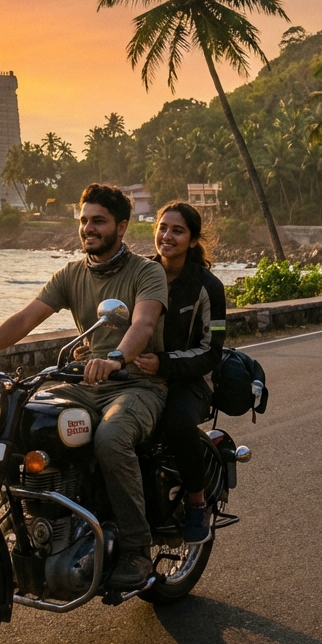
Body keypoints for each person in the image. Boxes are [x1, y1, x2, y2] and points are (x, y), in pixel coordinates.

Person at [0, 183, 168, 590]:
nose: (88, 228)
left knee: (112, 438)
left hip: (135, 384)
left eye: (98, 221)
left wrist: (116, 358)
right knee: (21, 419)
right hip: (82, 381)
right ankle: (33, 522)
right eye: (83, 220)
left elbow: (143, 324)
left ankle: (137, 548)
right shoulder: (71, 273)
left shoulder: (147, 272)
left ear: (121, 227)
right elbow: (28, 316)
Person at [133, 201, 227, 545]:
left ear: (192, 239)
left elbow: (211, 350)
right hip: (141, 376)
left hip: (191, 382)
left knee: (176, 424)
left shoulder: (208, 287)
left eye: (177, 230)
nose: (166, 236)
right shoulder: (141, 273)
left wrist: (165, 362)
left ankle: (197, 501)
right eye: (162, 227)